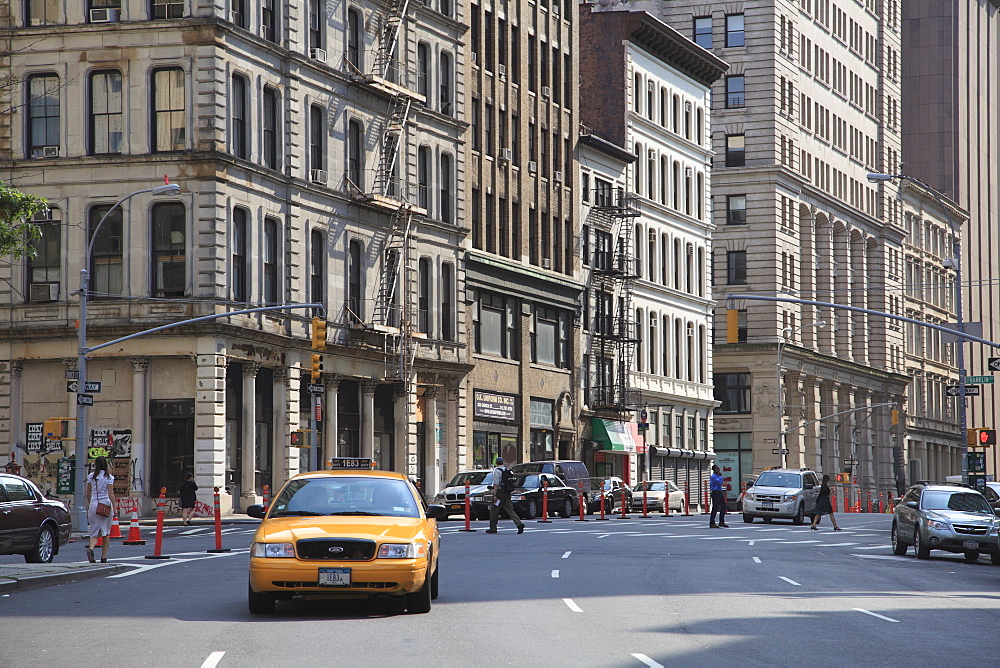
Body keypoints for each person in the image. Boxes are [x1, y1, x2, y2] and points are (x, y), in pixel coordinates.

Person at [85, 456, 116, 563]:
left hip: (94, 504)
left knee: (94, 532)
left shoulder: (91, 476)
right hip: (105, 504)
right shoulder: (109, 477)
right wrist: (115, 507)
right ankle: (103, 557)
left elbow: (88, 493)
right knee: (105, 532)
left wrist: (90, 503)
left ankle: (91, 548)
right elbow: (110, 493)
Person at [485, 457, 525, 534]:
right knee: (510, 510)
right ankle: (519, 524)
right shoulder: (506, 470)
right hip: (507, 492)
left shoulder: (497, 471)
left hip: (500, 492)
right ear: (503, 462)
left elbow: (496, 484)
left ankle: (493, 528)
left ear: (496, 463)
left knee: (494, 510)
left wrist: (495, 494)